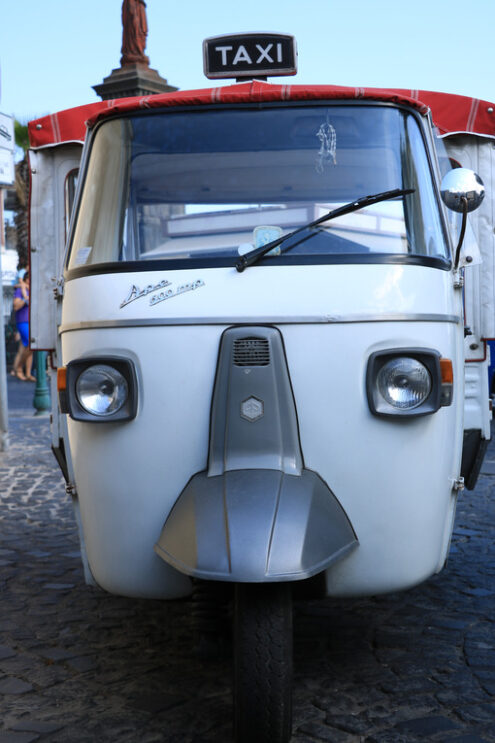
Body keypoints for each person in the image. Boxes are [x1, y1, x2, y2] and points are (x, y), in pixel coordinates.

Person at [12, 271, 34, 381]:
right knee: (31, 345)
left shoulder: (31, 290)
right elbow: (15, 306)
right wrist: (25, 300)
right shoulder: (21, 290)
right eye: (29, 278)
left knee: (26, 348)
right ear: (25, 279)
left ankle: (28, 374)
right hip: (23, 321)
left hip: (32, 321)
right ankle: (19, 368)